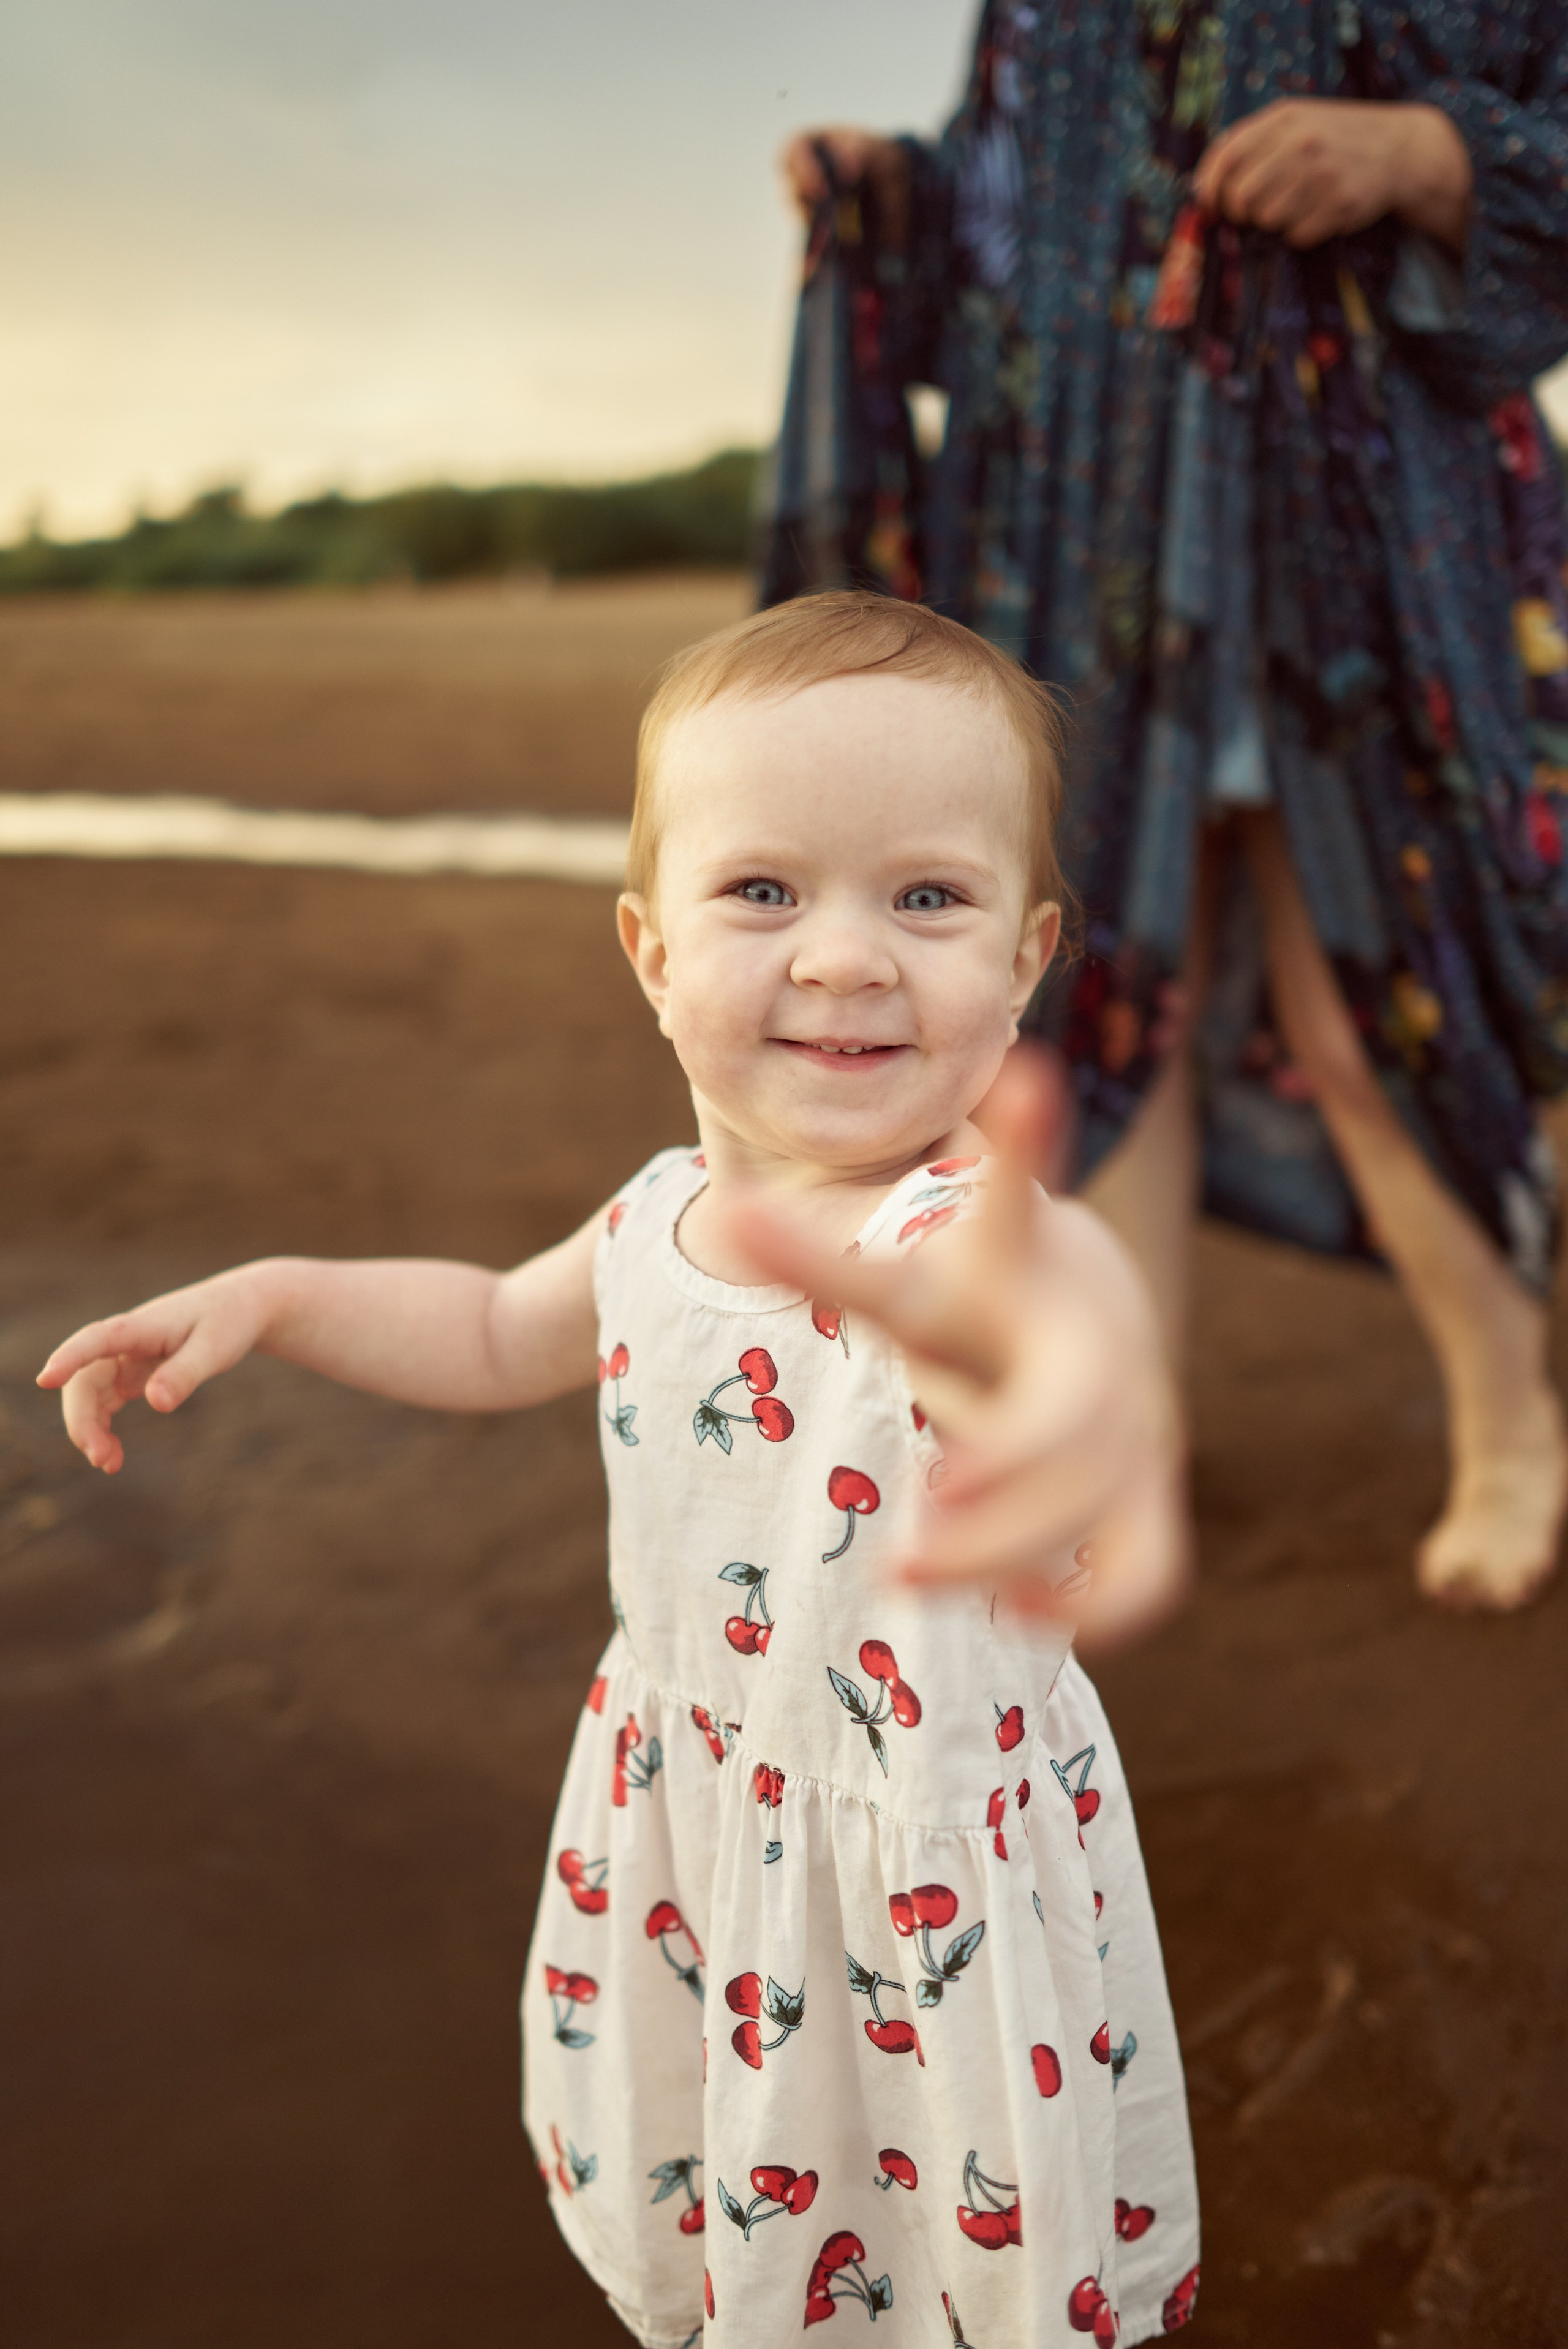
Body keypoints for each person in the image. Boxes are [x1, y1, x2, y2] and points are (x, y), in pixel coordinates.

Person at [40, 594, 1199, 2347]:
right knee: (748, 2202)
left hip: (911, 1869)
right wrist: (277, 1294)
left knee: (955, 2242)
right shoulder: (660, 1213)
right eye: (765, 891)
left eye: (928, 896)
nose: (843, 956)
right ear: (652, 953)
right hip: (699, 1822)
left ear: (1028, 953)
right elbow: (499, 1328)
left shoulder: (960, 1232)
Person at [774, 0, 1568, 1613]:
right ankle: (1124, 1437)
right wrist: (896, 197)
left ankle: (1509, 1421)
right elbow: (1009, 222)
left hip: (1362, 525)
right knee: (1106, 1013)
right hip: (1086, 526)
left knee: (1370, 1003)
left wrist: (1426, 155)